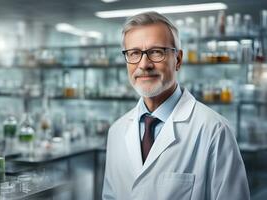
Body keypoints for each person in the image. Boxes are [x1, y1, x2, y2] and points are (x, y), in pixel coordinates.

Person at [102, 11, 250, 200]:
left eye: (156, 52)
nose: (144, 64)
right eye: (134, 53)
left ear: (178, 60)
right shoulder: (116, 131)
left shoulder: (214, 130)